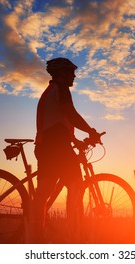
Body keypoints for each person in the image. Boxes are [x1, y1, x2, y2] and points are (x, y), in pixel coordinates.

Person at [33, 57, 101, 242]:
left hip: (47, 146)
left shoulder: (50, 92)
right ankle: (75, 235)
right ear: (62, 74)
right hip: (57, 148)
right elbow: (70, 114)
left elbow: (59, 123)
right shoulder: (61, 89)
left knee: (43, 194)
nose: (74, 76)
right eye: (71, 72)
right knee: (76, 187)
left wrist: (76, 141)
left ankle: (34, 235)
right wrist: (91, 131)